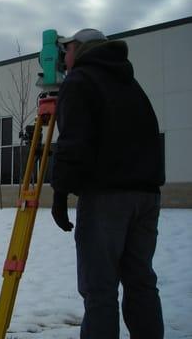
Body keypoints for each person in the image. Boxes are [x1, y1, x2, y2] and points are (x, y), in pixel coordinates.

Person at [50, 28, 165, 339]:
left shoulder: (81, 80)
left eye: (67, 50)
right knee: (141, 283)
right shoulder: (129, 81)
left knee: (99, 291)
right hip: (146, 196)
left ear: (81, 49)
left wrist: (60, 191)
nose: (64, 57)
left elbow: (73, 142)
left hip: (106, 198)